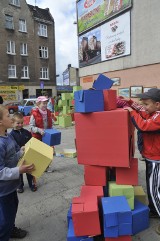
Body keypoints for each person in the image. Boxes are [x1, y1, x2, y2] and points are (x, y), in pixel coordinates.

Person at [123, 88, 160, 235]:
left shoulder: (158, 117)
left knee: (153, 189)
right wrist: (131, 103)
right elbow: (143, 111)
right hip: (151, 156)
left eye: (146, 104)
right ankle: (154, 209)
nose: (143, 107)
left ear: (157, 104)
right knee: (153, 186)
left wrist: (131, 112)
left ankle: (157, 212)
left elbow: (144, 125)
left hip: (156, 159)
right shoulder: (153, 112)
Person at [0, 105, 35, 240]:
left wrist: (21, 151)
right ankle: (4, 235)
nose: (11, 116)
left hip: (10, 187)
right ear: (1, 122)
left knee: (12, 209)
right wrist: (18, 170)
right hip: (3, 191)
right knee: (5, 218)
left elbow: (13, 156)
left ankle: (11, 229)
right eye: (8, 116)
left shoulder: (7, 136)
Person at [10, 112, 37, 193]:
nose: (20, 125)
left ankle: (32, 184)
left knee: (30, 170)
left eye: (22, 123)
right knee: (19, 172)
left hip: (28, 155)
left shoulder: (26, 132)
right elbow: (12, 146)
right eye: (18, 123)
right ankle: (20, 186)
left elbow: (31, 141)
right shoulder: (11, 135)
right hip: (18, 156)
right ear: (12, 123)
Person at [29, 96, 54, 172]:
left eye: (46, 103)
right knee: (39, 153)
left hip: (47, 136)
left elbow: (51, 123)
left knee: (48, 152)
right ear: (38, 104)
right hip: (38, 137)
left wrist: (52, 127)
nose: (45, 105)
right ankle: (39, 167)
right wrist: (39, 130)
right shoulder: (34, 114)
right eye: (43, 103)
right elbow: (31, 127)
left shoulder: (48, 112)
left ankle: (46, 167)